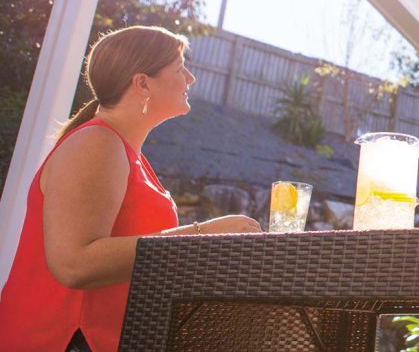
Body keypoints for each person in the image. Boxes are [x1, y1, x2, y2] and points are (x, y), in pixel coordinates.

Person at [0, 26, 262, 351]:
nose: (190, 78)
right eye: (180, 68)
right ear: (142, 83)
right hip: (65, 339)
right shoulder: (97, 143)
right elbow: (73, 263)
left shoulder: (124, 153)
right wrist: (200, 235)